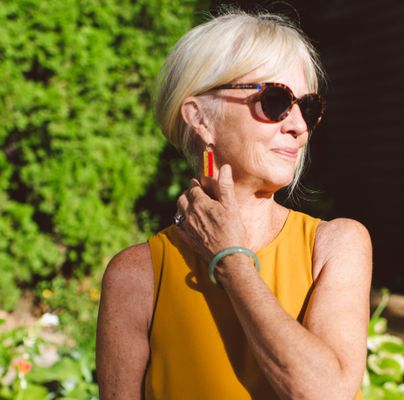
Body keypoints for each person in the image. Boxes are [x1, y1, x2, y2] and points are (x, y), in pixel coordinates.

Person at [96, 9, 372, 400]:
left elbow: (327, 394)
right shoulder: (137, 275)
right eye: (276, 101)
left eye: (307, 107)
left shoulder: (335, 245)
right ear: (200, 118)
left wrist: (231, 259)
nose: (298, 125)